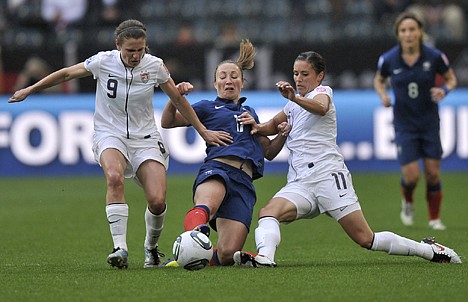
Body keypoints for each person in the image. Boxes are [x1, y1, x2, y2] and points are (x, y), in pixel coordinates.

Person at [7, 19, 231, 269]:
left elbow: (177, 99)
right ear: (118, 45)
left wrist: (203, 131)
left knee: (157, 200)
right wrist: (31, 89)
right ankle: (120, 248)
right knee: (114, 177)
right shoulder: (104, 61)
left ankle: (151, 248)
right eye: (130, 50)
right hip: (109, 133)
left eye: (141, 49)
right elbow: (68, 73)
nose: (136, 55)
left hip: (145, 138)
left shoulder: (155, 66)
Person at [233, 50, 461, 268]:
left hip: (328, 177)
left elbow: (321, 108)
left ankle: (428, 250)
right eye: (295, 73)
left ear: (319, 76)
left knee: (366, 238)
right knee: (268, 213)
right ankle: (265, 257)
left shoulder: (323, 93)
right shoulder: (292, 104)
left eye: (305, 74)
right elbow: (271, 126)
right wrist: (256, 126)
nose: (298, 79)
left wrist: (294, 97)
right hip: (300, 183)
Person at [161, 39, 289, 266]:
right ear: (215, 83)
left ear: (242, 82)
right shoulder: (206, 107)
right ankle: (189, 244)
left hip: (244, 183)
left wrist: (282, 134)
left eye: (234, 76)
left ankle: (186, 258)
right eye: (223, 77)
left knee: (228, 254)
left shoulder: (250, 113)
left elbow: (268, 152)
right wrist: (176, 98)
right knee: (206, 207)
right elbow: (168, 122)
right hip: (218, 168)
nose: (228, 81)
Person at [373, 11, 457, 230]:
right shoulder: (389, 59)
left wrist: (444, 90)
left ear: (420, 32)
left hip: (429, 123)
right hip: (404, 125)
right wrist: (383, 95)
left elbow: (451, 78)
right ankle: (408, 201)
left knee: (432, 174)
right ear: (398, 34)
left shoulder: (434, 57)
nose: (408, 34)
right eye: (403, 30)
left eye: (412, 29)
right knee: (411, 177)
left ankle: (434, 219)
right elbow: (379, 80)